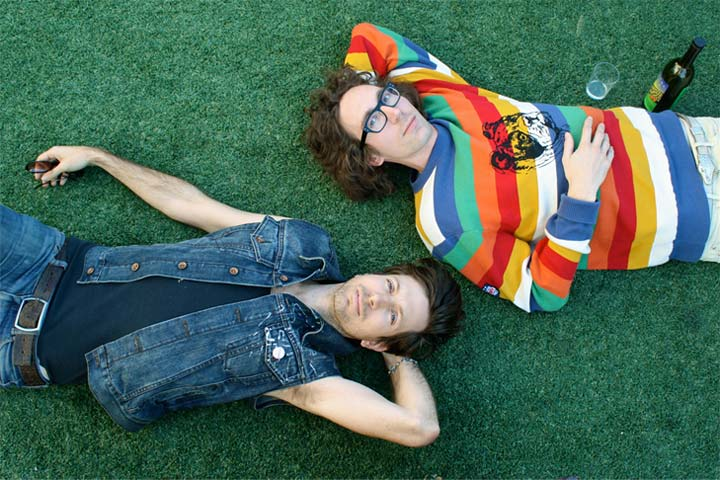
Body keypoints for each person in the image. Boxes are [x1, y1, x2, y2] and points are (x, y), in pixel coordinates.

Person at [1, 146, 464, 447]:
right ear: (379, 274)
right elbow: (193, 206)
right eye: (390, 287)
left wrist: (395, 352)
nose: (377, 300)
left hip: (23, 345)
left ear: (377, 341)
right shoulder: (300, 242)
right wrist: (98, 157)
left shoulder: (304, 373)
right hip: (47, 257)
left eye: (391, 316)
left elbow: (419, 428)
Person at [306, 23, 720, 313]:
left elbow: (369, 36)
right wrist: (580, 194)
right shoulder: (443, 221)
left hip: (687, 131)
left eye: (385, 97)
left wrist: (355, 92)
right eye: (374, 121)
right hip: (698, 210)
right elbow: (539, 292)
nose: (394, 112)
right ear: (372, 158)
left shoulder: (438, 96)